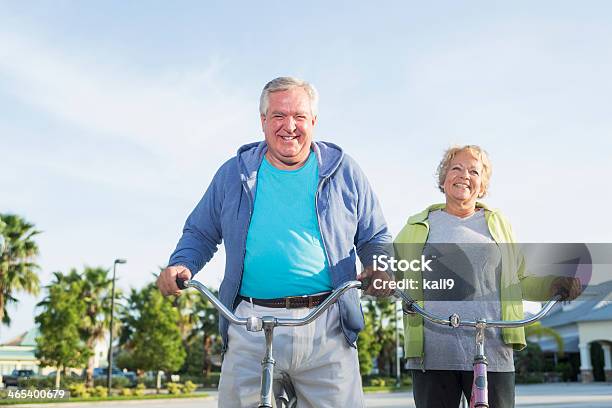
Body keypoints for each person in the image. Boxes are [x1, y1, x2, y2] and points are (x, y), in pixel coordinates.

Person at [157, 76, 392, 407]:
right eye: (279, 116)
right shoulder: (233, 174)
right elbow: (200, 231)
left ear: (313, 121)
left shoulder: (344, 171)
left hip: (326, 325)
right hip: (250, 325)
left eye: (299, 116)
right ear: (263, 121)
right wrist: (181, 263)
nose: (289, 126)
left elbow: (376, 235)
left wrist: (380, 267)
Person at [394, 145, 581, 408]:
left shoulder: (498, 224)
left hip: (492, 348)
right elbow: (389, 270)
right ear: (443, 178)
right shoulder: (417, 225)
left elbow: (519, 280)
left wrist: (553, 284)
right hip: (433, 353)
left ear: (482, 185)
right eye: (456, 168)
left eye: (474, 171)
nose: (464, 175)